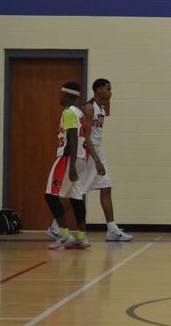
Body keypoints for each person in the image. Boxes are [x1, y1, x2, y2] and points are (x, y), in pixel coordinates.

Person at [47, 78, 133, 242]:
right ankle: (55, 226)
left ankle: (112, 229)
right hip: (89, 152)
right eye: (108, 89)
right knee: (75, 193)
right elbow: (85, 137)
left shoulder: (102, 107)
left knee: (105, 187)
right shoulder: (89, 108)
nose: (110, 92)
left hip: (97, 150)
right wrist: (96, 159)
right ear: (98, 90)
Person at [44, 82, 93, 250]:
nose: (59, 97)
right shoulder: (79, 112)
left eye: (61, 94)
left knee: (50, 195)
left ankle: (65, 235)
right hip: (80, 157)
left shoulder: (68, 112)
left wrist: (71, 165)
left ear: (67, 95)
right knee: (76, 197)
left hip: (68, 158)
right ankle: (82, 237)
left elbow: (72, 138)